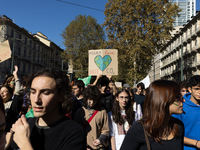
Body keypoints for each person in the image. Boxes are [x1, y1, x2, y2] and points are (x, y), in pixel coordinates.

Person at [9, 68, 86, 150]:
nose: (36, 100)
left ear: (60, 96)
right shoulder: (25, 125)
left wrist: (24, 144)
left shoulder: (74, 133)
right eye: (33, 92)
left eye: (45, 93)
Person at [120, 80, 185, 150]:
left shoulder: (178, 126)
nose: (183, 100)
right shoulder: (139, 129)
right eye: (178, 97)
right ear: (163, 99)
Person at [74, 85, 109, 150]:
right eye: (90, 100)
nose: (92, 102)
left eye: (94, 100)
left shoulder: (102, 111)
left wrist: (100, 140)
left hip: (99, 147)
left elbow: (106, 130)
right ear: (86, 98)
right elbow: (76, 131)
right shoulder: (80, 112)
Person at [173, 75, 200, 150]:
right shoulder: (180, 107)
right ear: (190, 89)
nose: (199, 92)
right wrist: (196, 143)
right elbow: (174, 134)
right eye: (196, 89)